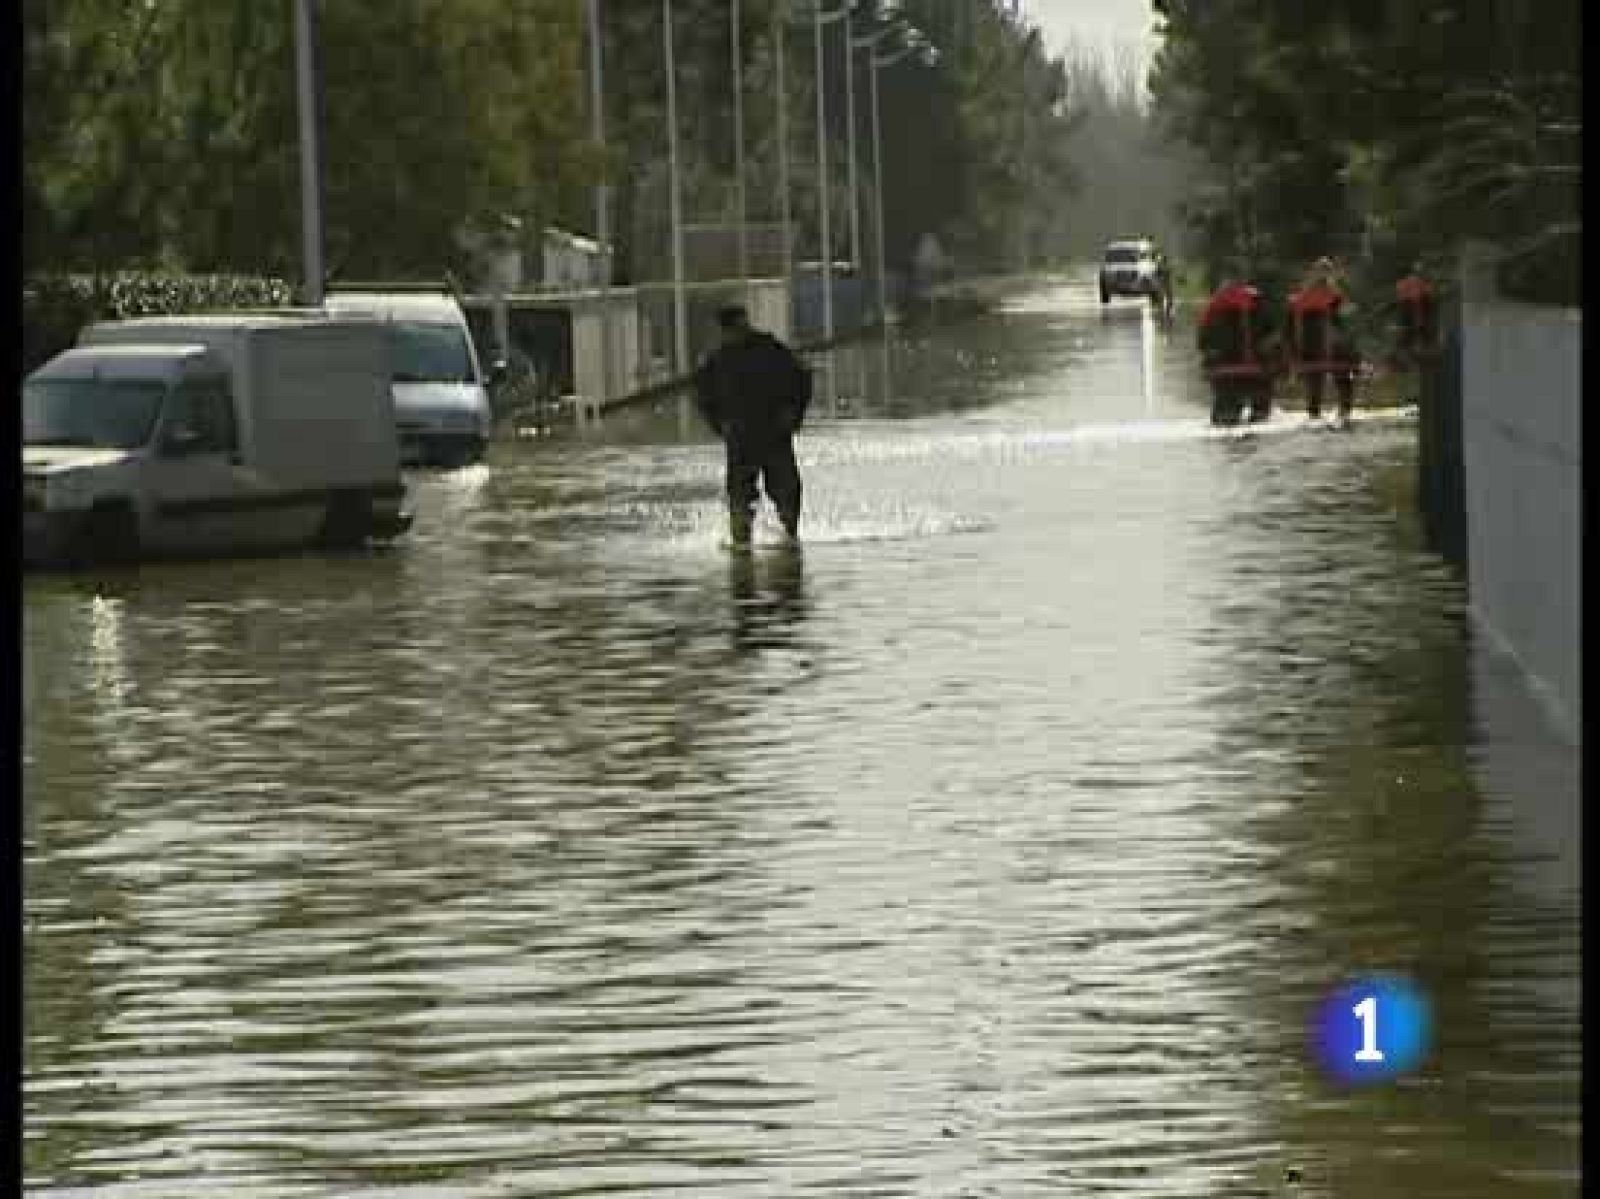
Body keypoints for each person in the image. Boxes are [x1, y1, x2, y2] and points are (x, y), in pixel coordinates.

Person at [694, 304, 813, 548]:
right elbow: (704, 396)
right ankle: (742, 542)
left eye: (741, 326)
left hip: (773, 432)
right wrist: (720, 424)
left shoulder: (770, 350)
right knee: (740, 494)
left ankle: (789, 536)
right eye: (733, 328)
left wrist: (793, 414)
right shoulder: (718, 359)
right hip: (741, 435)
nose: (739, 332)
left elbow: (801, 378)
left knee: (786, 490)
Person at [1197, 268, 1278, 425]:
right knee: (1260, 413)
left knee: (1226, 414)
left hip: (1225, 365)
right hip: (1255, 364)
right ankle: (1256, 413)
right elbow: (1271, 331)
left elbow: (1203, 337)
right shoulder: (1256, 300)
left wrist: (1208, 357)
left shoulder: (1214, 304)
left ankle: (1227, 416)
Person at [1287, 257, 1360, 422]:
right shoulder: (1335, 297)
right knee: (1344, 374)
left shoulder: (1300, 299)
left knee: (1314, 384)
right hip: (1328, 347)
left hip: (1310, 349)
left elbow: (1290, 330)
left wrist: (1293, 354)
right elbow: (1343, 324)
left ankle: (1315, 413)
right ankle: (1344, 410)